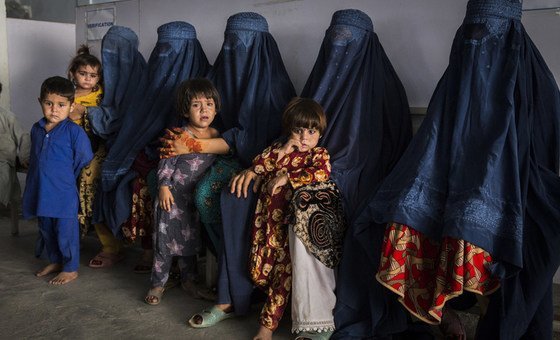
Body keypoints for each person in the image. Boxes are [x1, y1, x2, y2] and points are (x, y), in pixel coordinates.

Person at [364, 0, 560, 339]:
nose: (478, 46)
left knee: (523, 265)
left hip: (523, 205)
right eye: (472, 35)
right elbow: (433, 148)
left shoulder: (537, 89)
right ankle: (450, 315)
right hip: (458, 202)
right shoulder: (456, 84)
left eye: (487, 35)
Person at [161, 13, 296, 323]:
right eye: (230, 43)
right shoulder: (217, 74)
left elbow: (253, 138)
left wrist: (194, 147)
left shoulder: (273, 83)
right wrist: (184, 140)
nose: (235, 51)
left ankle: (239, 284)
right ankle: (218, 271)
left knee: (219, 196)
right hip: (225, 155)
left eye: (243, 44)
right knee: (180, 187)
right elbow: (203, 115)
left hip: (263, 161)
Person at [246, 97, 330, 340]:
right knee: (259, 272)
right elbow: (258, 165)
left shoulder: (317, 156)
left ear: (320, 135)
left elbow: (322, 172)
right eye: (298, 130)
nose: (304, 137)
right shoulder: (277, 153)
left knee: (282, 278)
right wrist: (283, 150)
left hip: (289, 231)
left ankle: (266, 327)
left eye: (311, 131)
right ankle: (279, 311)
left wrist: (287, 178)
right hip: (264, 227)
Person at [144, 78, 220, 305]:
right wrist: (164, 187)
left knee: (190, 245)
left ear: (216, 108)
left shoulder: (217, 137)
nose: (204, 109)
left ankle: (190, 281)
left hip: (193, 202)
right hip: (171, 199)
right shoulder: (179, 135)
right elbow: (165, 163)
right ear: (186, 110)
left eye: (209, 104)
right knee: (164, 245)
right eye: (196, 105)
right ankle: (158, 284)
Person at [22, 76, 93, 285]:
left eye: (61, 105)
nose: (54, 109)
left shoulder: (73, 132)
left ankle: (70, 268)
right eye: (49, 103)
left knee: (65, 230)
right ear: (40, 102)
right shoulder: (36, 129)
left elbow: (84, 156)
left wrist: (63, 176)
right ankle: (55, 260)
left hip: (62, 191)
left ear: (71, 106)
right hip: (40, 189)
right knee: (46, 228)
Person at [66, 44, 105, 238]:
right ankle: (72, 230)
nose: (88, 79)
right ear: (73, 74)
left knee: (87, 179)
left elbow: (105, 119)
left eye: (93, 75)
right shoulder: (67, 96)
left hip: (93, 145)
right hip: (70, 147)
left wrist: (86, 112)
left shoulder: (99, 95)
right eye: (83, 74)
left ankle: (86, 223)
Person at [0, 81, 30, 236]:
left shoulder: (7, 117)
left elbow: (24, 136)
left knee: (4, 177)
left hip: (4, 159)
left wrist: (24, 156)